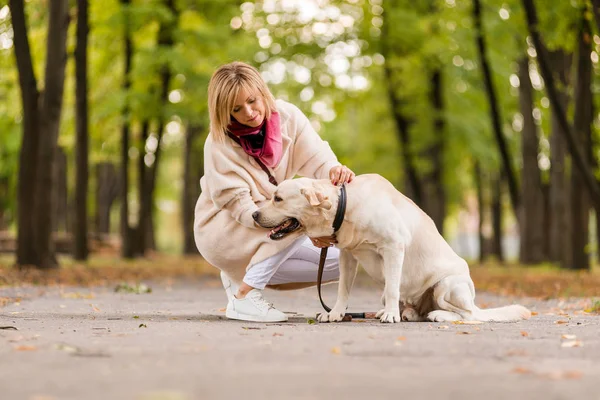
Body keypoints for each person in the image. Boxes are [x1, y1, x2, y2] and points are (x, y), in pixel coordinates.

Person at [194, 61, 355, 322]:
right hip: (226, 227)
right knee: (293, 215)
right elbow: (240, 207)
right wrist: (303, 225)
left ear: (262, 92)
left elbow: (319, 160)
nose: (249, 112)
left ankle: (238, 276)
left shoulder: (288, 117)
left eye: (252, 100)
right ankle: (245, 298)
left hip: (274, 218)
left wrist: (335, 170)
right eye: (236, 109)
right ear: (224, 112)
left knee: (349, 254)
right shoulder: (218, 143)